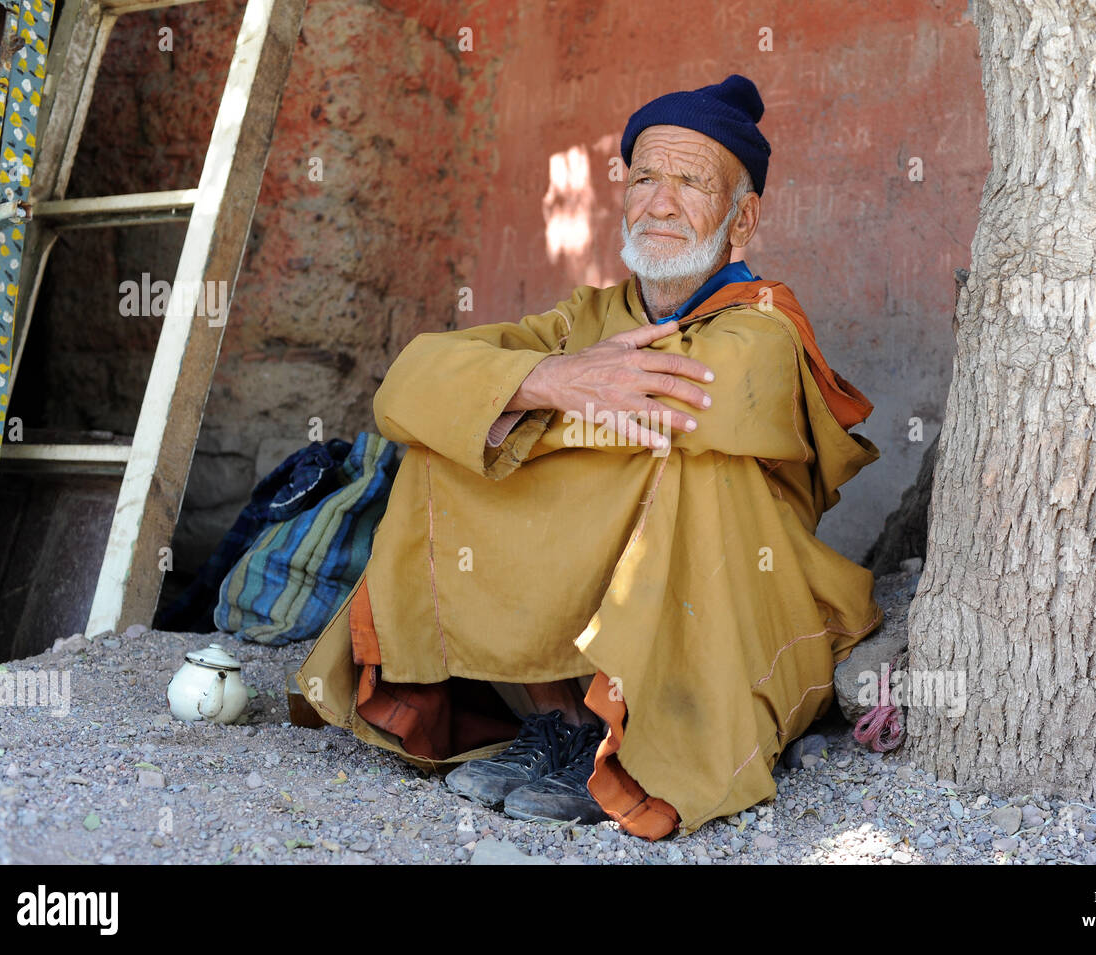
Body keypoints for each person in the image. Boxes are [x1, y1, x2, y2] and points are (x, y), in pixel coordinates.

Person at [296, 73, 884, 840]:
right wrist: (553, 377)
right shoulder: (588, 318)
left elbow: (687, 411)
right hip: (572, 655)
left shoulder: (765, 326)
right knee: (447, 436)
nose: (660, 203)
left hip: (739, 630)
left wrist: (527, 405)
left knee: (681, 463)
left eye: (690, 182)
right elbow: (409, 385)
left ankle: (645, 745)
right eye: (644, 178)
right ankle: (567, 727)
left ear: (743, 221)